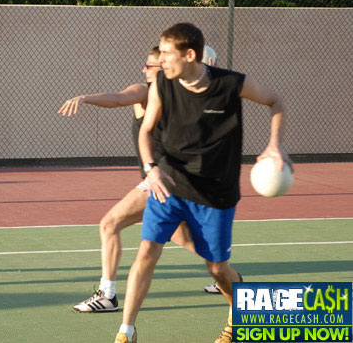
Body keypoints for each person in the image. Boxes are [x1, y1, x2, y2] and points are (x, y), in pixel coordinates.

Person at [112, 23, 290, 343]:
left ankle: (241, 315)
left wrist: (274, 144)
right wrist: (151, 168)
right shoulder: (162, 86)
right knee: (147, 251)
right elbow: (146, 131)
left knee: (218, 270)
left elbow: (276, 102)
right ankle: (127, 331)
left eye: (166, 53)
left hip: (215, 192)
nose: (160, 60)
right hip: (169, 183)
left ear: (190, 54)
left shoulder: (232, 84)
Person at [59, 46, 216, 313]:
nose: (144, 70)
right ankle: (229, 280)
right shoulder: (182, 97)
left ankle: (107, 294)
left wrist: (85, 97)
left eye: (149, 65)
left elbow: (120, 98)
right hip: (179, 179)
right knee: (187, 240)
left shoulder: (146, 91)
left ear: (163, 68)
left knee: (109, 224)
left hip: (160, 179)